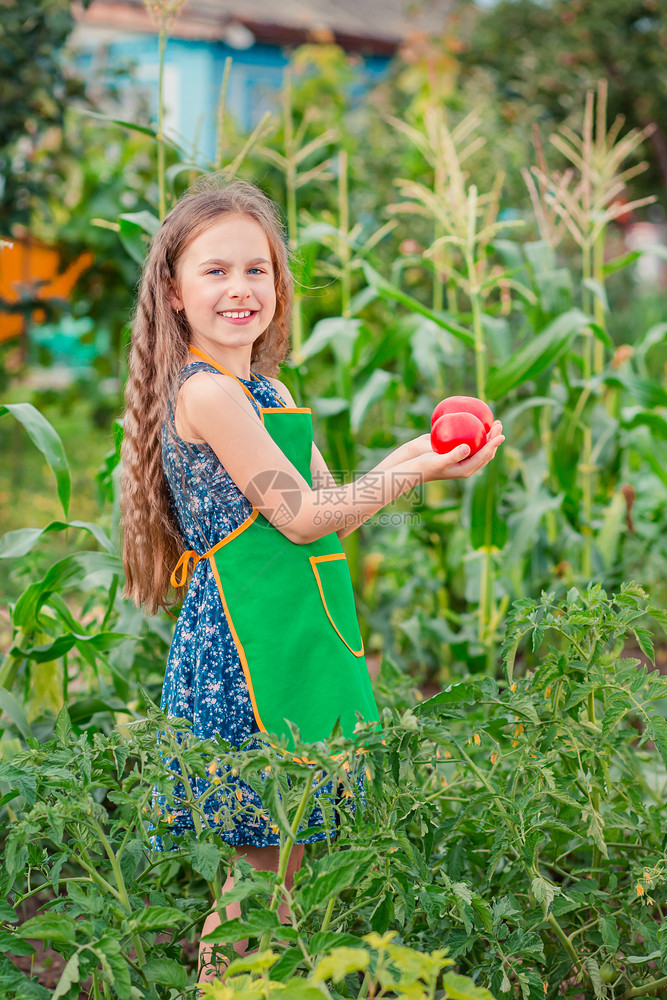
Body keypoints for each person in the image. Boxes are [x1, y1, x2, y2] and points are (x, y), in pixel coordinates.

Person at [119, 176, 504, 986]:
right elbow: (296, 517)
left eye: (256, 270)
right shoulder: (210, 395)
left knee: (284, 860)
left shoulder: (266, 391)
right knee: (263, 867)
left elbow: (329, 510)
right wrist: (418, 470)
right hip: (247, 650)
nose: (239, 288)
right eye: (215, 271)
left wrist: (416, 459)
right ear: (174, 292)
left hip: (293, 626)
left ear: (278, 286)